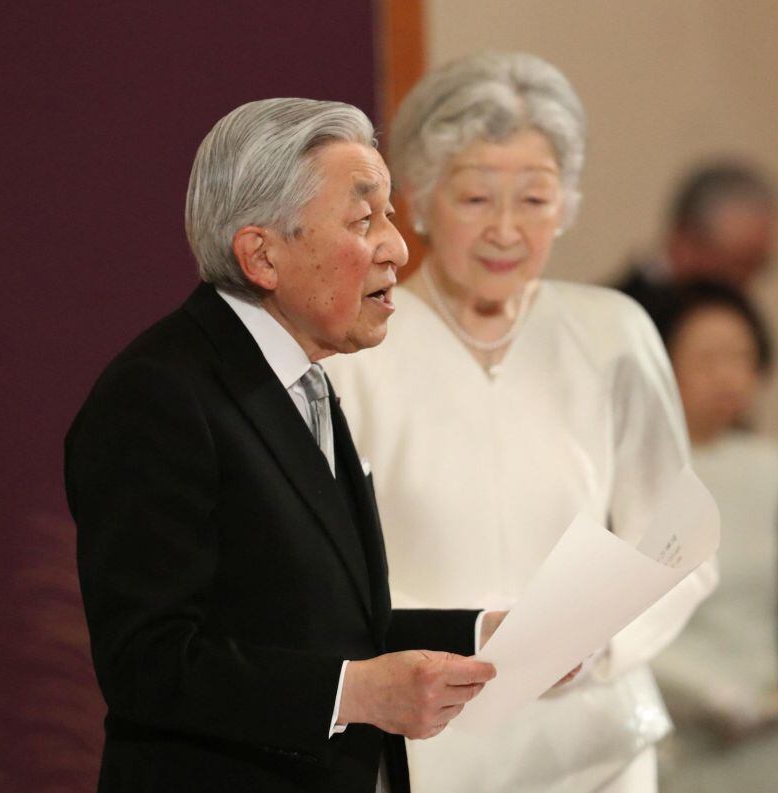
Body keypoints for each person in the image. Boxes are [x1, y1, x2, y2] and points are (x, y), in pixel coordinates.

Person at [64, 98, 503, 793]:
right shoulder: (157, 394)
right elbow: (147, 662)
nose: (397, 247)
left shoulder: (305, 378)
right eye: (365, 220)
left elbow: (324, 621)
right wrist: (357, 693)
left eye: (388, 214)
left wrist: (484, 635)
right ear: (262, 255)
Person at [324, 52, 717, 793]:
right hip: (426, 740)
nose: (505, 230)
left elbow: (680, 541)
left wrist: (596, 648)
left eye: (534, 200)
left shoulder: (613, 334)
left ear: (566, 203)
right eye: (475, 199)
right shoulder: (358, 347)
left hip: (596, 737)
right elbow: (330, 572)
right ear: (418, 197)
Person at [648, 281, 778, 793]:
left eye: (743, 357)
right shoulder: (641, 474)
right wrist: (709, 693)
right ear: (663, 363)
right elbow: (620, 620)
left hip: (777, 727)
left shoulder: (776, 467)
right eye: (708, 358)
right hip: (684, 737)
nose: (729, 375)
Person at [616, 162, 778, 324]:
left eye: (758, 266)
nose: (744, 283)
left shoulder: (735, 316)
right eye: (736, 264)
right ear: (685, 239)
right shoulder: (619, 316)